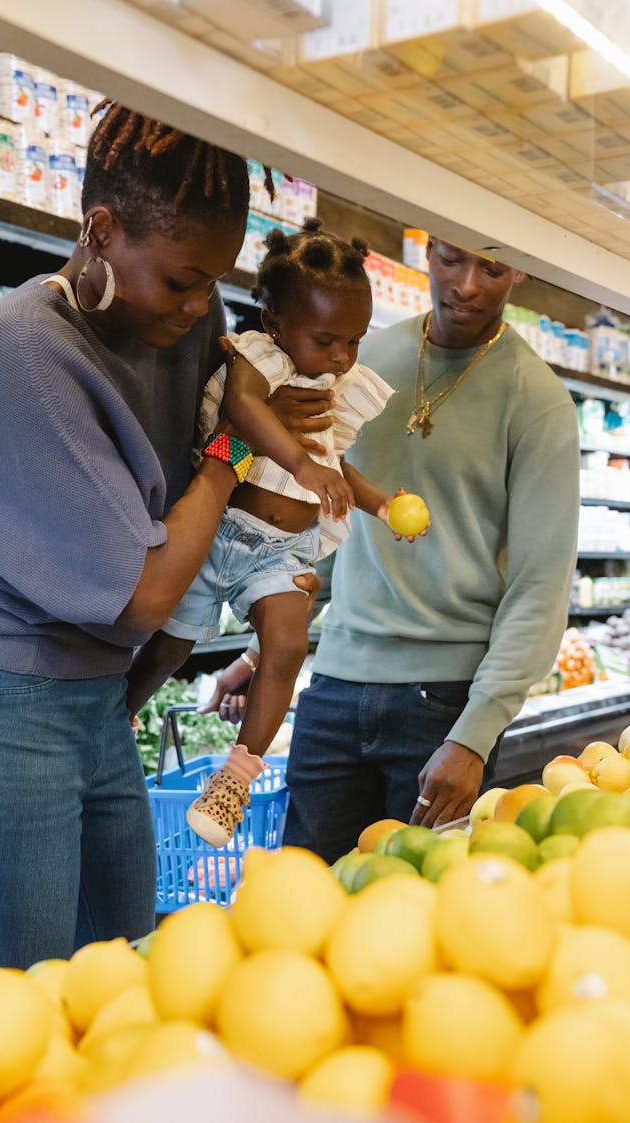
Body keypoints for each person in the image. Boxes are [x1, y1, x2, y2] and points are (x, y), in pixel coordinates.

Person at [0, 102, 320, 968]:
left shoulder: (185, 321)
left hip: (101, 699)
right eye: (183, 279)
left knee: (123, 964)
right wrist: (241, 441)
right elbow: (144, 593)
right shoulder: (27, 349)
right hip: (12, 705)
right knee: (25, 984)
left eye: (215, 283)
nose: (202, 307)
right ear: (101, 227)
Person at [209, 238, 581, 863]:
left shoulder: (537, 402)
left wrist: (475, 736)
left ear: (520, 267)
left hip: (442, 705)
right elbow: (316, 512)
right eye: (451, 259)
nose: (465, 284)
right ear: (427, 248)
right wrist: (260, 649)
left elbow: (540, 587)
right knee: (307, 903)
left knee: (414, 919)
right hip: (332, 686)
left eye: (491, 267)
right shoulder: (361, 357)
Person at [125, 220, 400, 847]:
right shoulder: (259, 357)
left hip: (283, 552)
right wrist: (301, 464)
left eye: (354, 341)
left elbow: (333, 458)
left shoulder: (338, 389)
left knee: (286, 649)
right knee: (169, 648)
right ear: (275, 321)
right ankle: (116, 717)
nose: (341, 358)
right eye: (328, 339)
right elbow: (244, 411)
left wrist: (380, 503)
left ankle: (234, 781)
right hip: (217, 530)